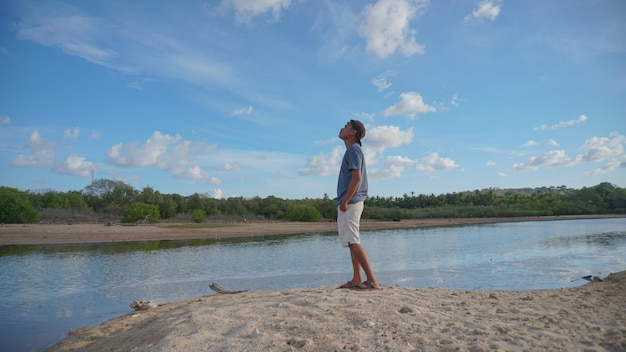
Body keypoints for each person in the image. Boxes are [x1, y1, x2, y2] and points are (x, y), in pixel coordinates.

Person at [336, 120, 381, 290]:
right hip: (352, 201)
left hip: (351, 202)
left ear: (353, 132)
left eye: (346, 126)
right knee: (351, 241)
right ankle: (356, 278)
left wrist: (345, 200)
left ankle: (371, 280)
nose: (342, 128)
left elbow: (357, 178)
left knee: (353, 240)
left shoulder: (354, 150)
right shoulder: (352, 151)